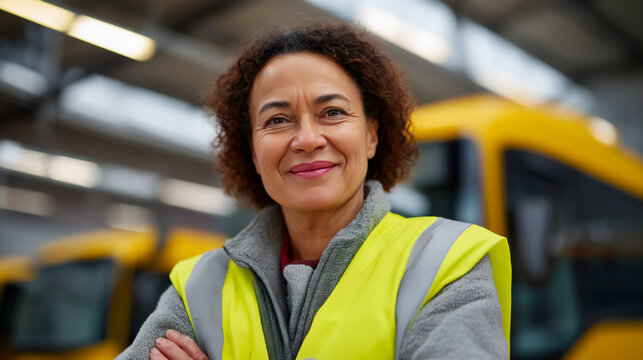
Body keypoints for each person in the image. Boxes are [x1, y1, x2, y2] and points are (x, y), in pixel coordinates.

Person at [117, 22, 511, 360]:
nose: (306, 139)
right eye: (277, 119)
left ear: (371, 135)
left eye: (332, 113)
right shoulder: (198, 286)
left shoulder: (448, 265)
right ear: (252, 150)